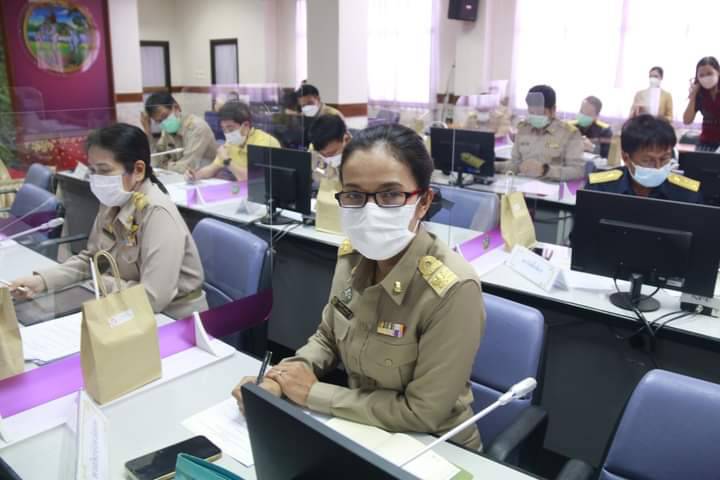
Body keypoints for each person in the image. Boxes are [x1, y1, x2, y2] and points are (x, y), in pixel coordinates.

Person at [232, 124, 486, 450]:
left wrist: (314, 394)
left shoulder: (453, 290)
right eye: (354, 195)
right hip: (362, 428)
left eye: (390, 195)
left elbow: (424, 412)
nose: (370, 212)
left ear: (423, 202)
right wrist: (279, 379)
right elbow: (328, 337)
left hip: (435, 447)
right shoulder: (352, 259)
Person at [10, 123, 208, 319]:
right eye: (93, 170)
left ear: (138, 170)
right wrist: (42, 281)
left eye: (104, 170)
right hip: (127, 306)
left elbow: (153, 298)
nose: (97, 179)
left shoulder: (157, 213)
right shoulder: (113, 202)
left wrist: (102, 282)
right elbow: (91, 260)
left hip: (174, 317)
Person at [586, 114, 702, 203]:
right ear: (626, 158)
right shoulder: (600, 187)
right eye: (648, 161)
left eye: (664, 159)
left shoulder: (687, 194)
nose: (658, 167)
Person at [497, 85, 585, 181]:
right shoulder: (524, 129)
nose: (535, 116)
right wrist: (492, 166)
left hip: (551, 187)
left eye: (540, 113)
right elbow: (515, 164)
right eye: (531, 112)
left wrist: (545, 170)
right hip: (522, 185)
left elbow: (578, 171)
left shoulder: (569, 133)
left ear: (553, 110)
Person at [185, 102, 280, 182]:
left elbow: (250, 179)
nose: (227, 134)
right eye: (224, 129)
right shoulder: (230, 144)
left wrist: (227, 161)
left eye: (230, 129)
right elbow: (212, 168)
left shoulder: (264, 142)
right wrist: (195, 175)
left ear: (246, 125)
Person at [141, 92, 217, 173]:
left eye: (165, 116)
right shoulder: (168, 129)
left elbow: (187, 167)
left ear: (176, 107)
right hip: (181, 178)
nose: (163, 123)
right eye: (159, 121)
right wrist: (148, 132)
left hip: (207, 177)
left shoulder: (197, 128)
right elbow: (156, 161)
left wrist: (164, 165)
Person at [683, 56, 720, 151]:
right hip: (705, 142)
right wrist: (693, 96)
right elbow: (687, 120)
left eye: (709, 73)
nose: (706, 77)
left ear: (718, 72)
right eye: (701, 75)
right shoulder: (700, 94)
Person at [309, 114, 351, 183]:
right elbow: (318, 174)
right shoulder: (313, 150)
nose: (326, 158)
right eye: (322, 154)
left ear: (345, 139)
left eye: (331, 153)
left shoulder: (360, 156)